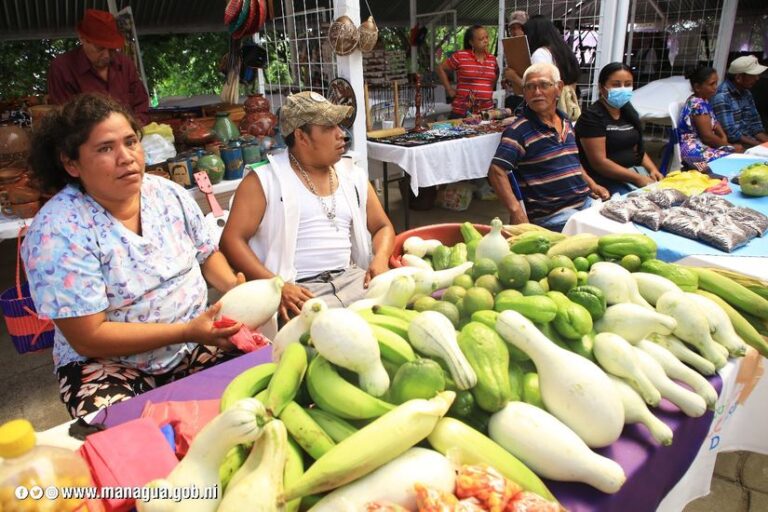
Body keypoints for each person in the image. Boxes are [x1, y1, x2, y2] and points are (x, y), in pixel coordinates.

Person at [21, 94, 245, 418]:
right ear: (71, 164)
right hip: (110, 365)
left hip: (196, 341)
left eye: (130, 142)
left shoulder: (168, 194)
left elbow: (207, 253)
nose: (126, 157)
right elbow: (89, 337)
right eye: (105, 148)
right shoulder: (56, 232)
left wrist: (234, 288)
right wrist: (186, 331)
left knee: (254, 397)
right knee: (126, 440)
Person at [220, 91, 395, 321]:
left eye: (339, 126)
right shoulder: (264, 180)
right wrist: (277, 286)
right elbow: (231, 241)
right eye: (329, 128)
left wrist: (380, 259)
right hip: (299, 293)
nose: (341, 135)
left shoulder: (353, 176)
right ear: (301, 137)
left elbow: (383, 226)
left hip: (354, 279)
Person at [488, 62, 609, 232]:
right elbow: (496, 171)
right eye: (530, 87)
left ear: (558, 88)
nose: (537, 92)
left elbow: (572, 160)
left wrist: (592, 184)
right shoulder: (518, 131)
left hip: (584, 202)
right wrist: (516, 211)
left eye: (544, 85)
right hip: (551, 215)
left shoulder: (565, 120)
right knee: (602, 234)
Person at [47, 9, 150, 125]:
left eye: (112, 49)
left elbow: (141, 104)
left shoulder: (125, 64)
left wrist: (135, 126)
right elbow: (66, 120)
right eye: (100, 48)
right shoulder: (62, 68)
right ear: (82, 39)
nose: (106, 55)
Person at [575, 62, 663, 195]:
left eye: (628, 84)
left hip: (634, 173)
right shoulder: (592, 118)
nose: (623, 89)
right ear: (601, 87)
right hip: (606, 180)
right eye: (616, 84)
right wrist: (637, 179)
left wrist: (652, 170)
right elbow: (599, 163)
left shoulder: (628, 112)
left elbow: (637, 149)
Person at [678, 65, 742, 171]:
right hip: (692, 150)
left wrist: (723, 137)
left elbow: (715, 123)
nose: (715, 87)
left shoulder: (704, 100)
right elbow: (707, 136)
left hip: (703, 145)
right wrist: (730, 146)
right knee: (732, 158)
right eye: (711, 84)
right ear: (698, 87)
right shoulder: (697, 104)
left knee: (735, 154)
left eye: (716, 83)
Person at [524, 15, 583, 121]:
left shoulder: (540, 54)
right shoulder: (564, 51)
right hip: (569, 108)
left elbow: (539, 87)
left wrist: (514, 77)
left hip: (549, 111)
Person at [437, 25, 500, 118]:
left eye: (487, 37)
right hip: (462, 112)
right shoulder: (460, 56)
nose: (486, 41)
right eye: (481, 39)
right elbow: (440, 68)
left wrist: (486, 90)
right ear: (471, 42)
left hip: (486, 112)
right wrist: (449, 89)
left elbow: (495, 75)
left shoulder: (492, 59)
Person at [711, 55, 768, 148]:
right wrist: (761, 146)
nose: (757, 78)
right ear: (738, 78)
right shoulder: (722, 97)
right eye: (753, 75)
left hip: (751, 143)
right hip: (736, 146)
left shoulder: (746, 93)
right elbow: (732, 135)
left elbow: (756, 126)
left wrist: (765, 144)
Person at [502, 10, 528, 112]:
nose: (515, 32)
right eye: (512, 28)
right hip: (511, 97)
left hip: (527, 98)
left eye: (520, 27)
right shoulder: (508, 47)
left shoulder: (533, 47)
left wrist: (514, 77)